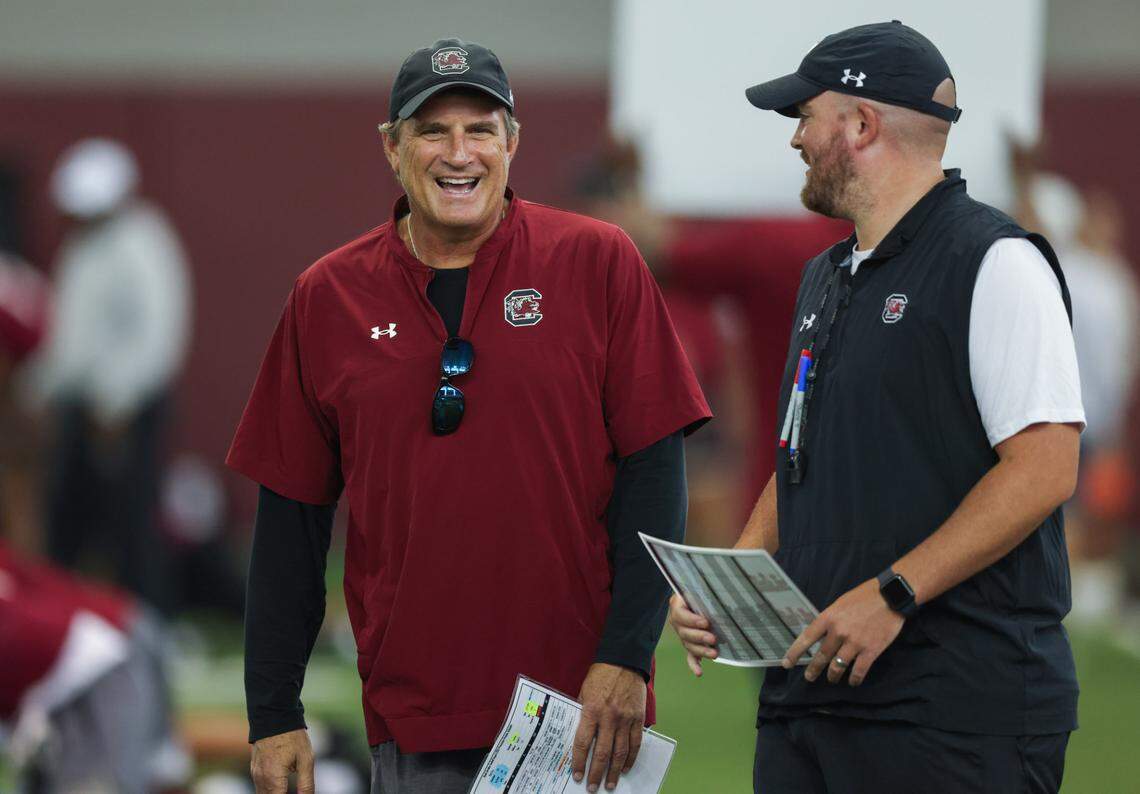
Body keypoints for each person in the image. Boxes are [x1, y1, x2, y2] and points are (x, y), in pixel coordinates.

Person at [227, 38, 711, 794]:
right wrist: (272, 712)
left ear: (513, 142)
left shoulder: (598, 262)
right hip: (414, 713)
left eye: (481, 129)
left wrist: (624, 657)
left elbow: (656, 474)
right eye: (432, 131)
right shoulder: (327, 298)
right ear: (392, 149)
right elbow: (290, 524)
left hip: (579, 714)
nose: (461, 153)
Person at [669, 21, 1084, 793]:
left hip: (953, 712)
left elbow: (1045, 469)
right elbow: (803, 455)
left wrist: (895, 593)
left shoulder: (995, 262)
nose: (794, 139)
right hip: (812, 702)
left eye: (805, 116)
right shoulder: (824, 275)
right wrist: (735, 580)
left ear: (860, 124)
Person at [32, 138, 193, 615]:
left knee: (132, 521)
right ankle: (61, 617)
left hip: (126, 410)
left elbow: (156, 335)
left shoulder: (142, 243)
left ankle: (148, 622)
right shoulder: (81, 249)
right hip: (81, 408)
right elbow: (72, 338)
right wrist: (42, 388)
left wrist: (117, 401)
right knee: (69, 518)